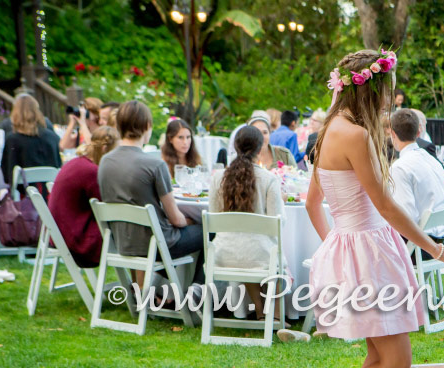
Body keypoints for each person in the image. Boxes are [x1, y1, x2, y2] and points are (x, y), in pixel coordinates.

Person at [305, 48, 444, 368]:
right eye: (389, 89)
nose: (392, 98)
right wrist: (437, 249)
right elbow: (387, 206)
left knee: (378, 355)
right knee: (397, 360)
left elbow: (311, 203)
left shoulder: (334, 128)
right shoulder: (353, 135)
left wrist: (334, 248)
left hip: (360, 251)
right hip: (369, 253)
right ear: (373, 88)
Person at [98, 100, 204, 285]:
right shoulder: (154, 165)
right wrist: (193, 220)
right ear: (147, 126)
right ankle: (196, 291)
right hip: (157, 245)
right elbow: (176, 220)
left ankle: (160, 292)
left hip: (122, 243)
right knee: (210, 230)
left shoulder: (105, 162)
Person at [209, 125, 295, 330]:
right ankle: (273, 316)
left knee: (246, 246)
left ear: (235, 146)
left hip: (222, 255)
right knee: (266, 251)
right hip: (259, 256)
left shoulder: (217, 178)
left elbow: (213, 215)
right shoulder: (268, 179)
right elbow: (278, 222)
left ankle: (260, 311)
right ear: (259, 148)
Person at [48, 126, 119, 268]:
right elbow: (107, 208)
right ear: (105, 149)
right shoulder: (91, 171)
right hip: (77, 242)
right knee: (134, 235)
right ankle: (142, 285)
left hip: (59, 235)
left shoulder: (77, 162)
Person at [389, 109, 444, 261]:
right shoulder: (433, 161)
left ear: (392, 134)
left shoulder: (399, 167)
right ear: (418, 133)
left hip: (420, 247)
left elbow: (406, 217)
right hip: (441, 240)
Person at [0, 94, 62, 187]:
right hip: (51, 193)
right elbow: (58, 165)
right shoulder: (52, 137)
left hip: (24, 195)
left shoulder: (12, 140)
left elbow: (8, 177)